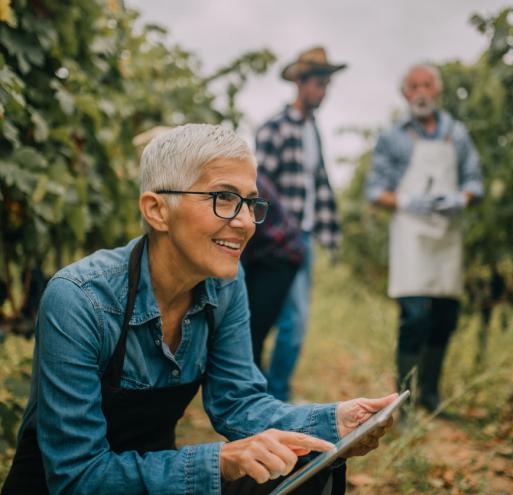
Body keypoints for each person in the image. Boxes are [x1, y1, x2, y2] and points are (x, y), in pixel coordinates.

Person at [3, 124, 396, 495]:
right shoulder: (79, 299)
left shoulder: (225, 284)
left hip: (151, 481)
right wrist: (220, 462)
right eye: (223, 198)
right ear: (157, 210)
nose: (245, 222)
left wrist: (335, 422)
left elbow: (237, 402)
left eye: (250, 202)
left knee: (303, 458)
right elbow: (78, 478)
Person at [365, 64, 483, 413]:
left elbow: (474, 180)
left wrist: (461, 198)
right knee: (414, 316)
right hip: (411, 236)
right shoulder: (393, 137)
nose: (420, 92)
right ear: (405, 93)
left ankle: (430, 396)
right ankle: (403, 400)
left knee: (445, 315)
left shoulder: (457, 134)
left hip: (446, 236)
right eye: (413, 86)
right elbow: (375, 190)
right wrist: (406, 200)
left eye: (427, 85)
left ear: (438, 90)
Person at [255, 46, 345, 401]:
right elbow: (260, 185)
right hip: (277, 241)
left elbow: (318, 184)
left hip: (303, 238)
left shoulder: (313, 131)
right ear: (301, 83)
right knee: (281, 320)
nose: (323, 92)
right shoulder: (274, 128)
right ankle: (273, 396)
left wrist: (330, 233)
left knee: (291, 321)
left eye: (326, 85)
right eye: (319, 84)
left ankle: (272, 392)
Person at [242, 175, 305, 369]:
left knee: (252, 332)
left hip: (280, 255)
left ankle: (252, 392)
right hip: (256, 254)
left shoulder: (246, 181)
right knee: (246, 330)